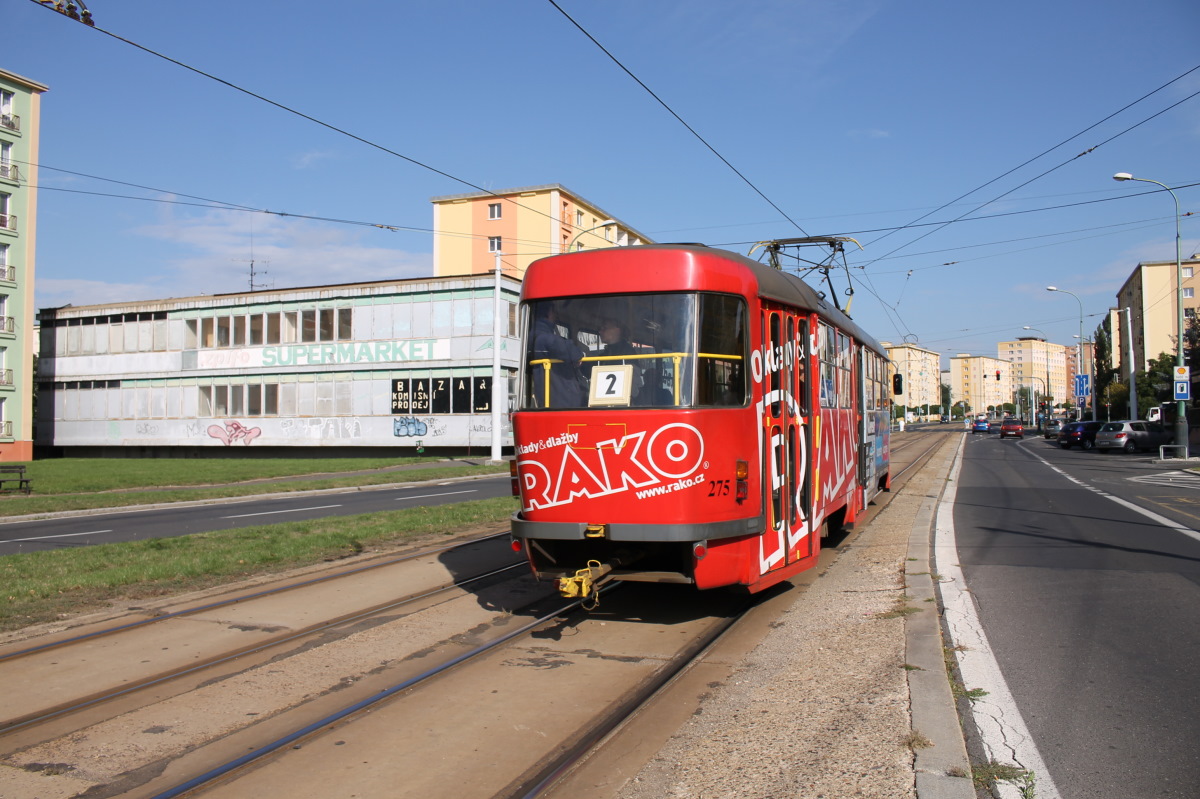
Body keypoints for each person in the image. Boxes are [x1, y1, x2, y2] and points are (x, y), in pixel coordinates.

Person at [531, 304, 585, 408]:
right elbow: (573, 353)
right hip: (561, 399)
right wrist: (579, 354)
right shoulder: (545, 337)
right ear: (550, 312)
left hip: (545, 396)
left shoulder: (530, 336)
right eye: (555, 313)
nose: (556, 317)